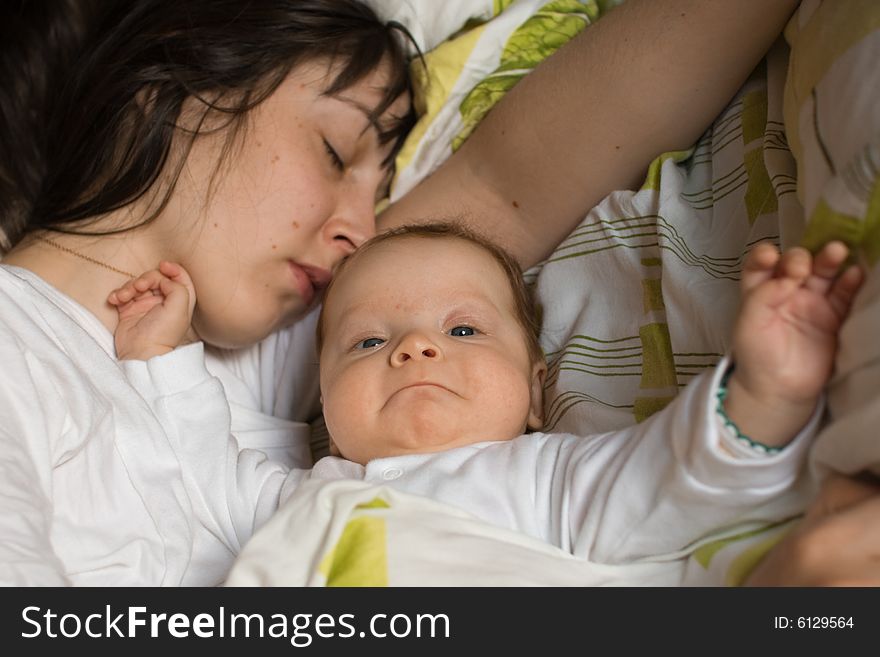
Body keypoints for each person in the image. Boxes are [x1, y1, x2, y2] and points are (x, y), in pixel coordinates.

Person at [0, 0, 877, 585]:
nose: (359, 226)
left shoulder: (309, 318)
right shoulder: (19, 347)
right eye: (337, 153)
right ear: (167, 87)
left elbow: (507, 181)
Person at [107, 222, 862, 575]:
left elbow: (671, 481)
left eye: (463, 327)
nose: (415, 347)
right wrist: (161, 353)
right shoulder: (295, 497)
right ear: (327, 410)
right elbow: (197, 467)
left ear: (538, 393)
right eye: (369, 342)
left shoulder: (545, 479)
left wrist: (768, 387)